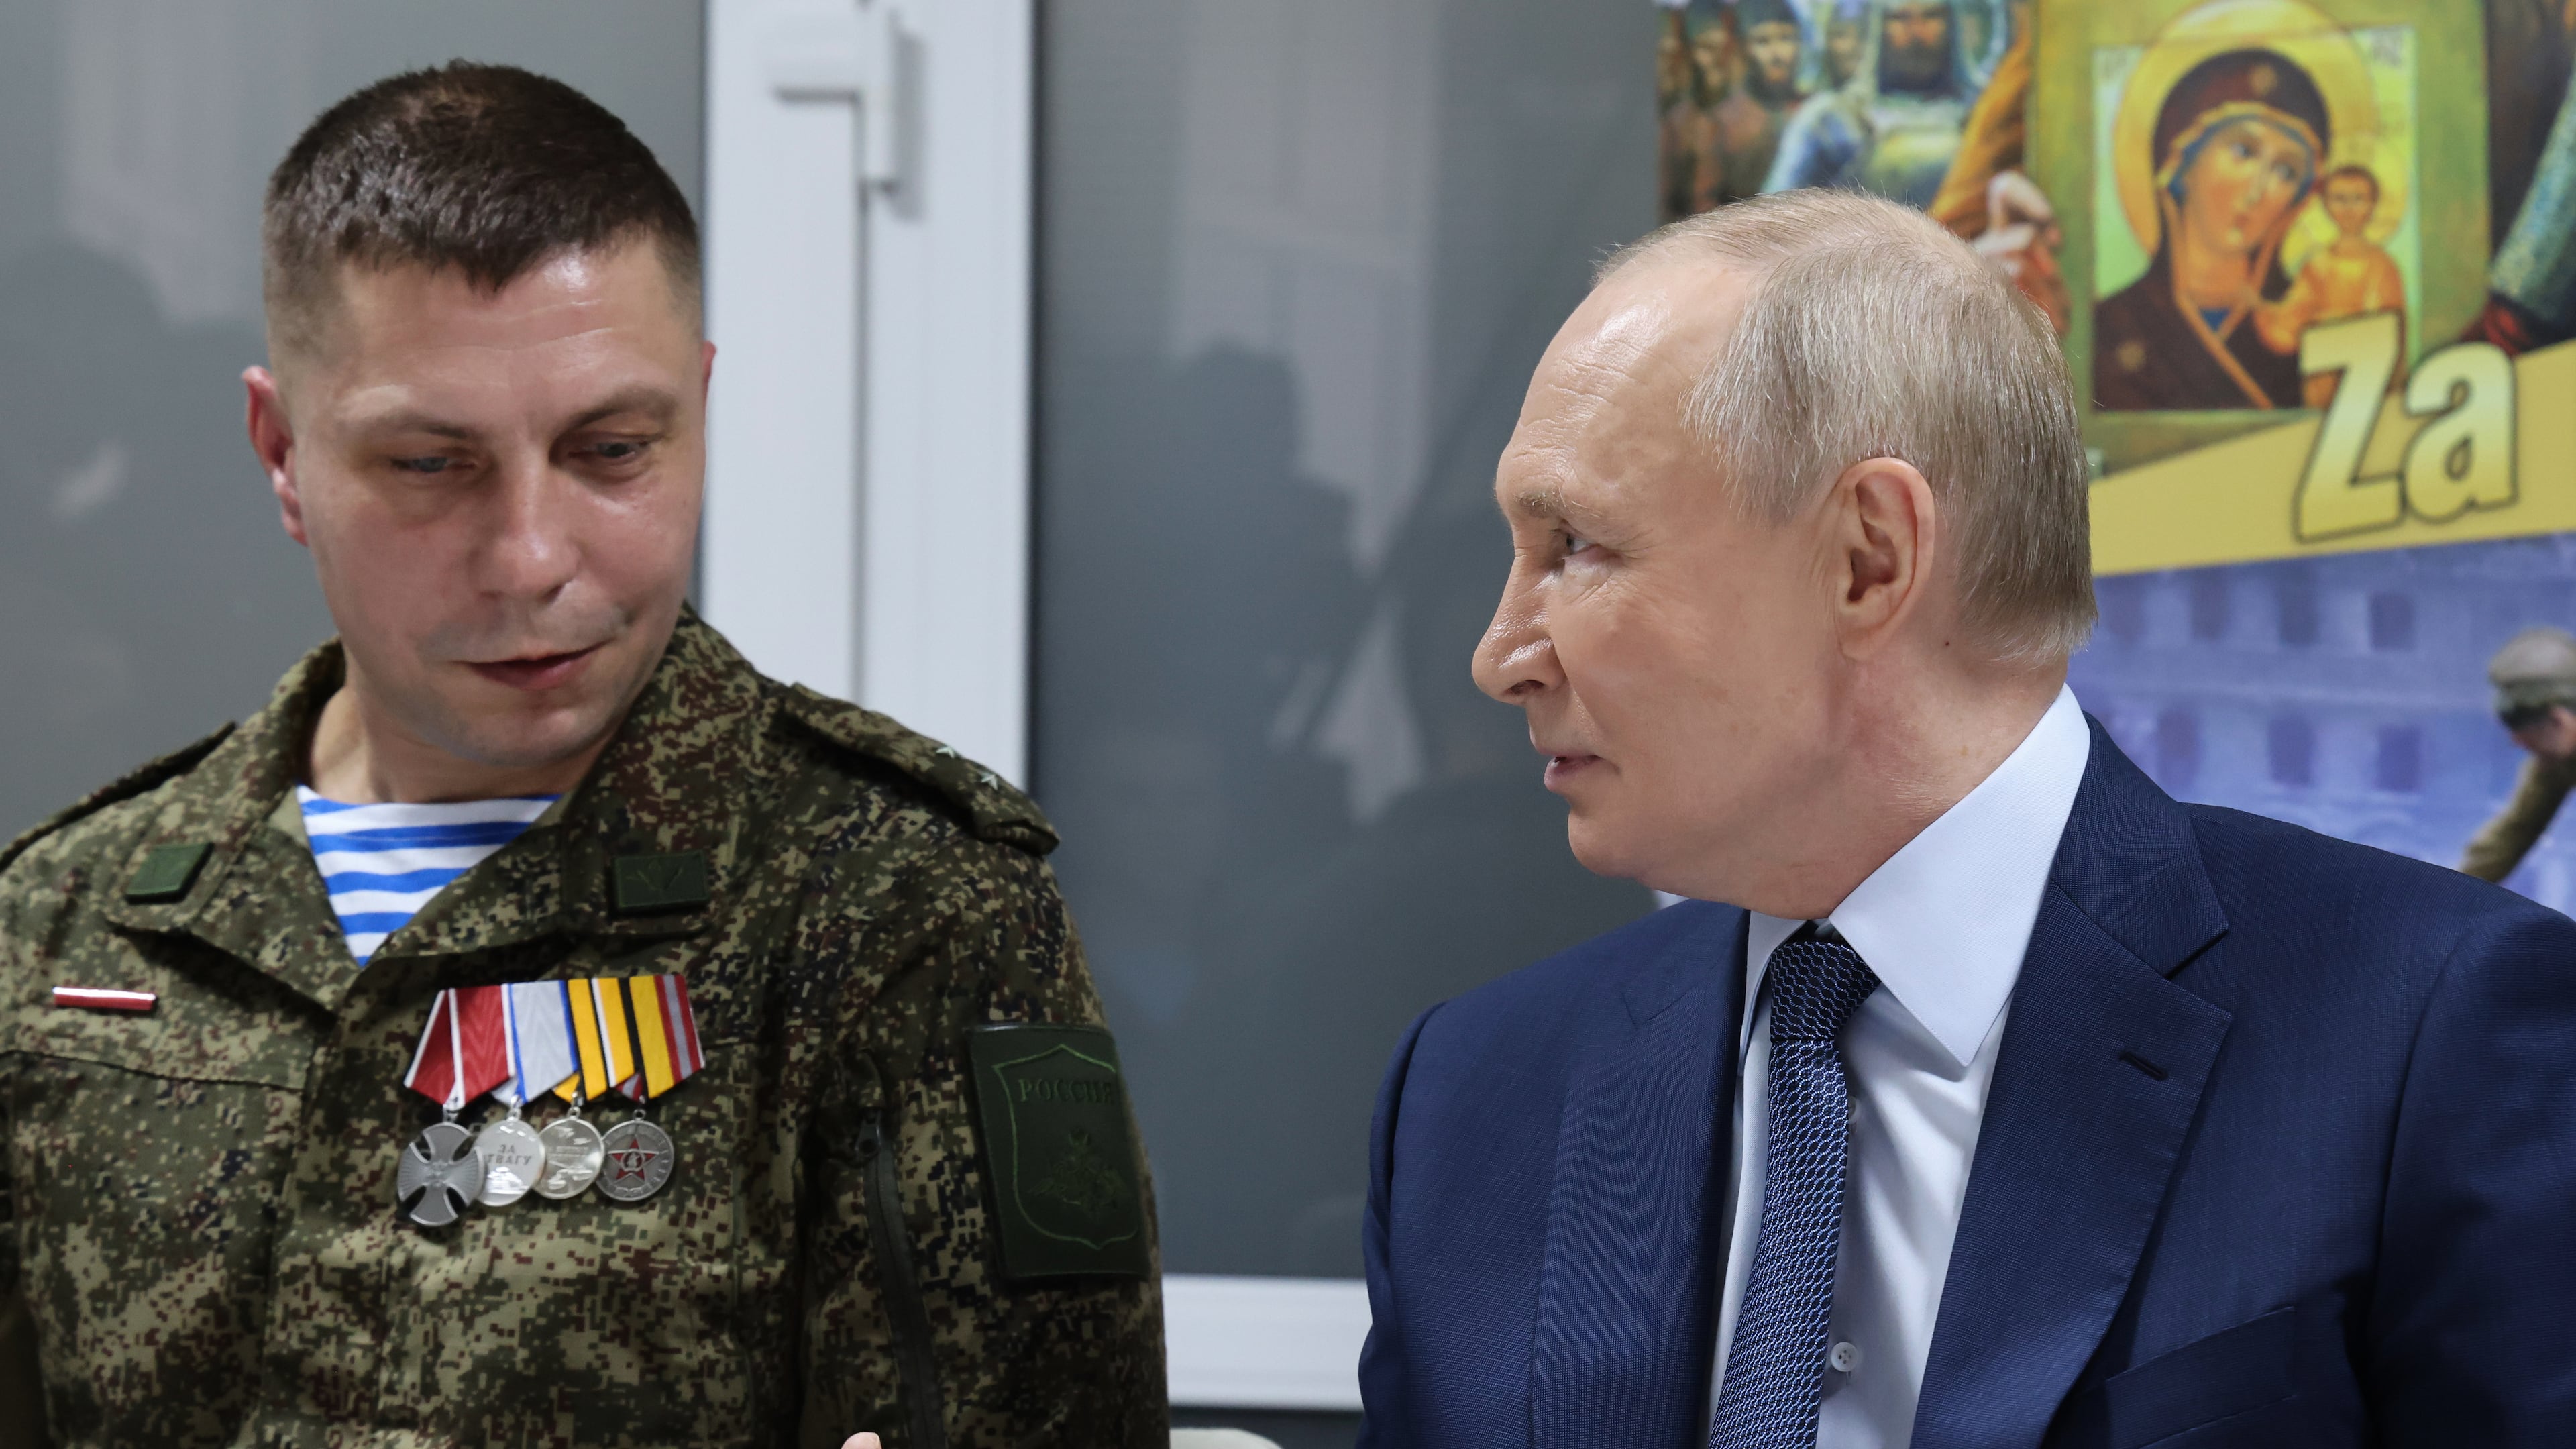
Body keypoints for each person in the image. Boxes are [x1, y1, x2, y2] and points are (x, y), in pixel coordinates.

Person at [0, 64, 1165, 1448]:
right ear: (280, 452)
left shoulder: (903, 912)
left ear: (700, 408)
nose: (535, 558)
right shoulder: (70, 926)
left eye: (613, 449)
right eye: (432, 465)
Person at [1357, 189, 2576, 1446]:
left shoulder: (2432, 1037)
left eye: (1578, 546)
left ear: (1869, 559)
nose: (1500, 654)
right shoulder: (1472, 1099)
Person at [2092, 49, 2328, 412]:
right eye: (2243, 151)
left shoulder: (2306, 322)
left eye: (2286, 172)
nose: (2257, 190)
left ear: (2295, 204)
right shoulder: (2112, 326)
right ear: (2180, 165)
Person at [1764, 1, 1975, 208]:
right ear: (1877, 28)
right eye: (1900, 18)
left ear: (1952, 24)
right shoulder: (1832, 119)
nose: (1917, 33)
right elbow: (1771, 219)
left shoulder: (1981, 113)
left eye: (1932, 16)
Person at [2251, 164, 2407, 407]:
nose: (2348, 209)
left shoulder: (2382, 265)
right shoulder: (2317, 264)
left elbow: (2387, 327)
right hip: (2323, 375)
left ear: (2373, 205)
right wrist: (2262, 310)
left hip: (2366, 373)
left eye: (2358, 199)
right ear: (2326, 205)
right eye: (2340, 199)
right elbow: (2291, 321)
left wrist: (2327, 323)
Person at [2461, 626, 2576, 884]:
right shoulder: (2556, 763)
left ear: (2560, 721)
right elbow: (2514, 834)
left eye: (2526, 732)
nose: (2517, 742)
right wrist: (2451, 896)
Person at [1712, 0, 1811, 206]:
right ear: (1744, 48)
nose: (1777, 54)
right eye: (1763, 41)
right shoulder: (1723, 120)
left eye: (1786, 38)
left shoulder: (1815, 113)